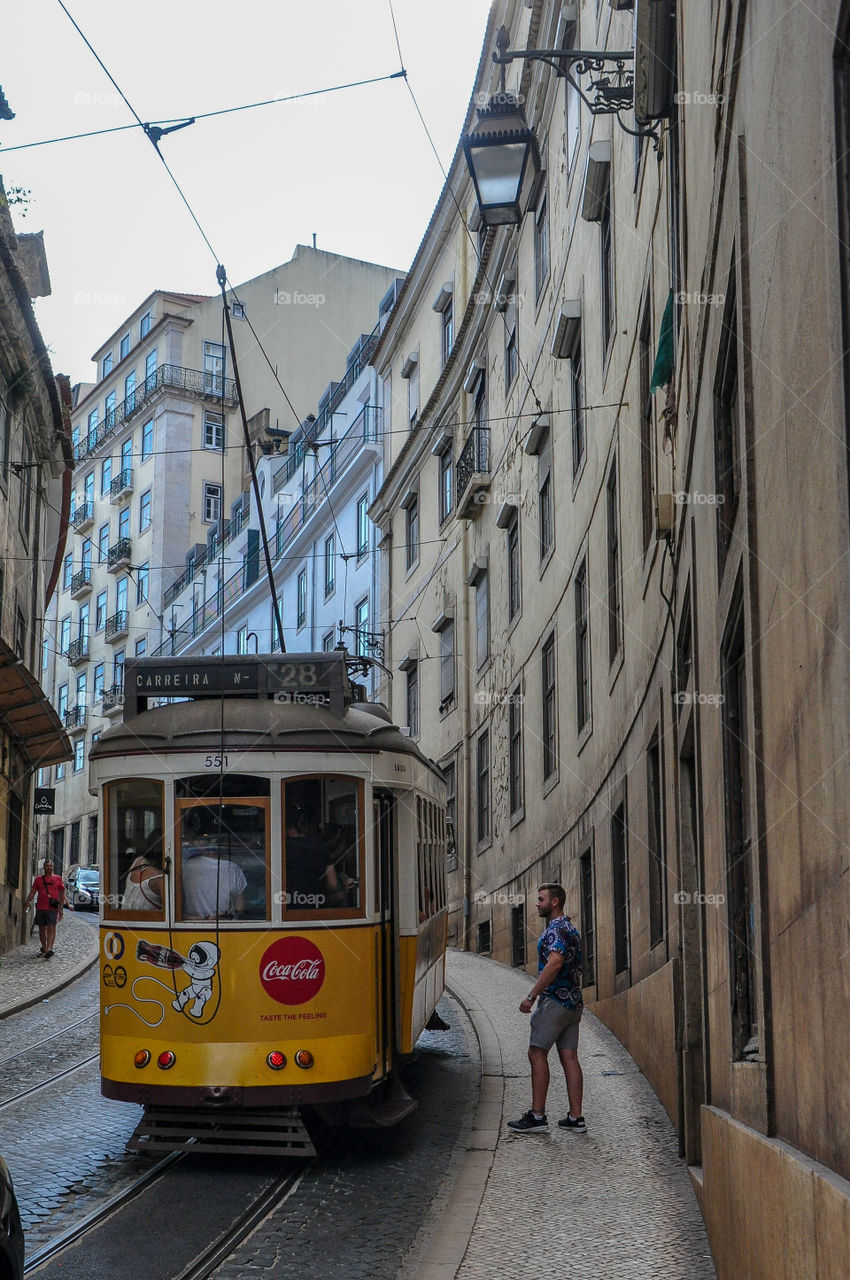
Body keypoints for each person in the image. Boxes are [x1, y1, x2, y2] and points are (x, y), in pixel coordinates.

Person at [508, 883, 586, 1135]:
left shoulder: (555, 930)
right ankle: (576, 1119)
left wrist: (531, 996)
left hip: (554, 1002)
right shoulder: (571, 928)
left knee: (536, 1053)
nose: (537, 904)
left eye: (541, 900)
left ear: (555, 902)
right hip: (573, 1003)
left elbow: (555, 962)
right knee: (570, 1058)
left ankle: (537, 1116)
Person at [24, 859, 72, 959]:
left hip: (52, 908)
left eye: (50, 866)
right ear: (44, 868)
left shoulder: (57, 879)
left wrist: (61, 907)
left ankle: (49, 949)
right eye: (47, 866)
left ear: (52, 867)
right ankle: (45, 948)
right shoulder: (38, 880)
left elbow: (62, 893)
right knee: (42, 929)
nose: (49, 868)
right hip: (41, 908)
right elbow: (33, 891)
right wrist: (28, 901)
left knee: (51, 928)